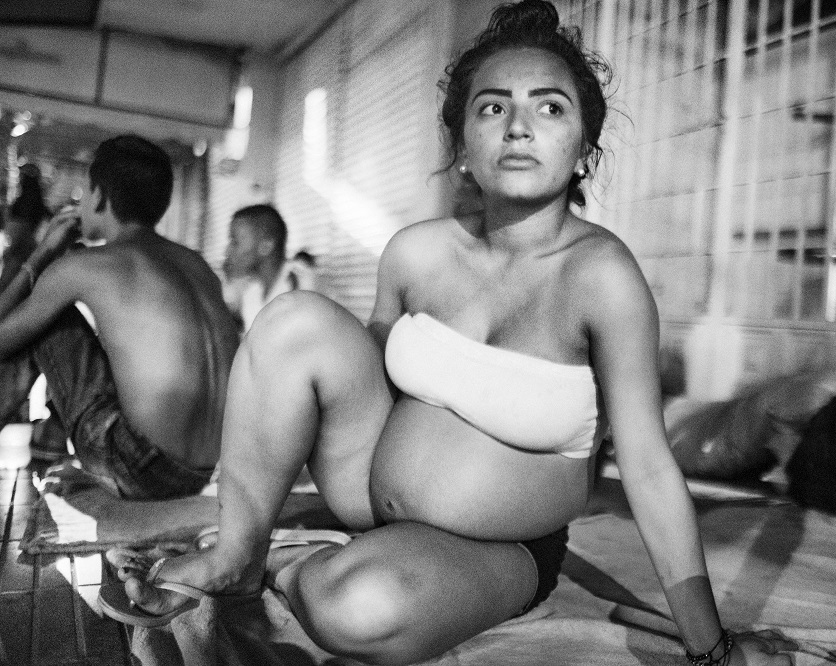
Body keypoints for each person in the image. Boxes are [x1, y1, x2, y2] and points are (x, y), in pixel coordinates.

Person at [103, 3, 791, 665]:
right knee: (293, 320)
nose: (518, 127)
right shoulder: (417, 252)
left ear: (584, 149)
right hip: (366, 490)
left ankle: (295, 563)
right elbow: (355, 384)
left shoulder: (603, 278)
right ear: (463, 145)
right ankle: (238, 555)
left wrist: (713, 649)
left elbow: (647, 466)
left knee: (358, 608)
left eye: (550, 108)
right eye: (493, 107)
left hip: (501, 544)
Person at [0, 135, 240, 499]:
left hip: (141, 467)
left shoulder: (84, 265)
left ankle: (47, 440)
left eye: (85, 191)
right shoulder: (198, 266)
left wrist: (44, 252)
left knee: (48, 320)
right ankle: (50, 439)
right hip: (208, 469)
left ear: (99, 196)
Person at [222, 204, 311, 334]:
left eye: (235, 242)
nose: (227, 251)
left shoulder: (301, 283)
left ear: (266, 246)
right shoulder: (251, 295)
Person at [0, 163, 51, 291]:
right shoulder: (39, 202)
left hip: (16, 249)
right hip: (27, 249)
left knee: (7, 283)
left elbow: (16, 229)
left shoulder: (23, 201)